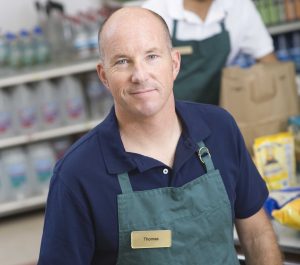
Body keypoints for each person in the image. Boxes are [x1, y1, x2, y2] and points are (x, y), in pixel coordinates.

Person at [37, 7, 282, 265]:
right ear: (104, 76)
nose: (140, 75)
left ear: (174, 63)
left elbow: (256, 235)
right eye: (122, 61)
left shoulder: (220, 129)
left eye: (152, 56)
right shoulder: (77, 174)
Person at [142, 0, 277, 104]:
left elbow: (269, 60)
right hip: (168, 114)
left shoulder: (238, 6)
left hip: (219, 109)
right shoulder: (155, 11)